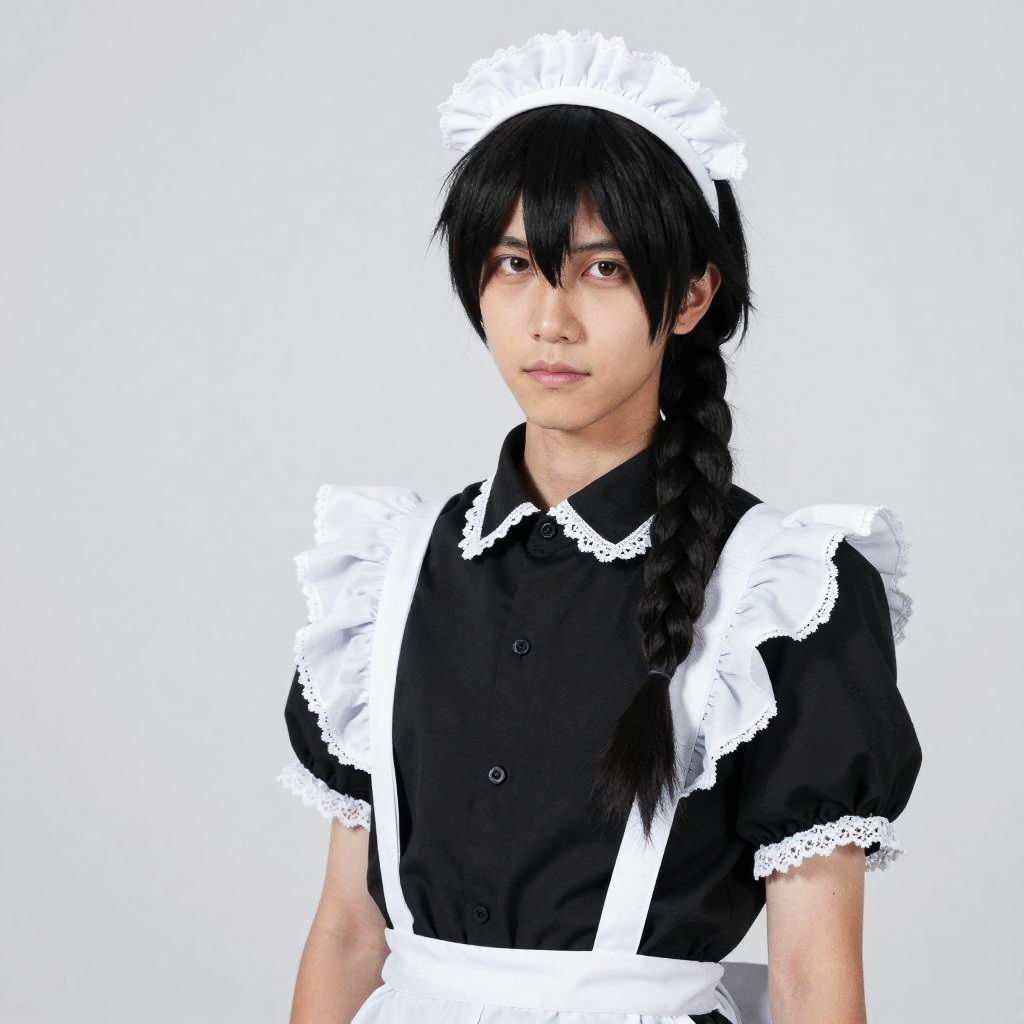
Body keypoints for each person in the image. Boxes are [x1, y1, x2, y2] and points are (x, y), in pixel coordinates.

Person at [276, 28, 922, 1024]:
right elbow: (348, 931)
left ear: (692, 294)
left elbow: (810, 979)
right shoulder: (391, 574)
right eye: (513, 264)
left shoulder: (781, 594)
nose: (550, 320)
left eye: (604, 269)